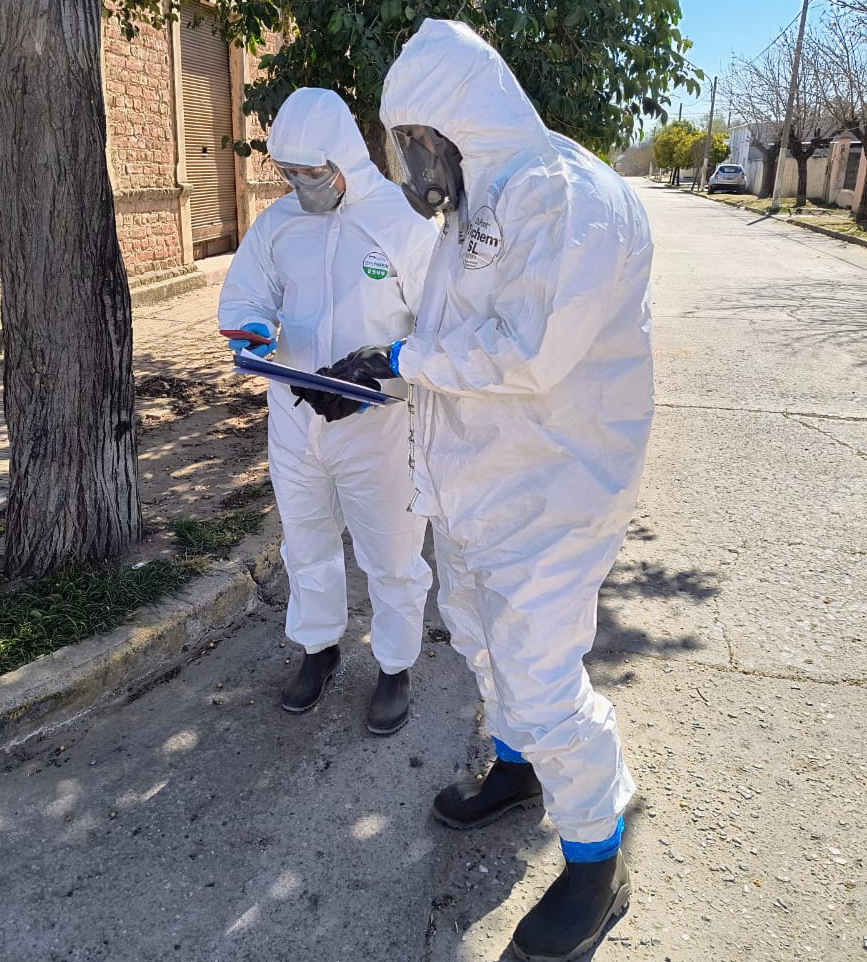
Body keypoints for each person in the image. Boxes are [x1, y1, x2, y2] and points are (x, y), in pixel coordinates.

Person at [302, 20, 655, 961]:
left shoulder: (567, 196)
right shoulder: (475, 206)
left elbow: (530, 352)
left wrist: (409, 357)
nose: (414, 165)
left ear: (462, 121)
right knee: (481, 638)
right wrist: (376, 366)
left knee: (541, 678)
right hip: (478, 486)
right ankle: (517, 770)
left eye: (417, 142)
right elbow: (447, 335)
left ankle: (597, 856)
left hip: (556, 489)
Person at [218, 88, 437, 736]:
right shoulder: (279, 225)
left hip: (378, 421)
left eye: (314, 172)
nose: (303, 185)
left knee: (392, 551)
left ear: (344, 156)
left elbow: (445, 324)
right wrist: (255, 328)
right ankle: (319, 648)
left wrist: (384, 364)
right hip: (294, 415)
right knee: (305, 541)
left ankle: (395, 666)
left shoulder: (402, 224)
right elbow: (248, 293)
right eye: (291, 175)